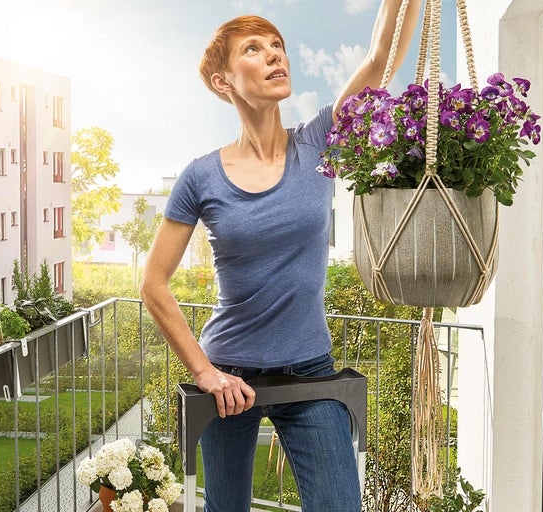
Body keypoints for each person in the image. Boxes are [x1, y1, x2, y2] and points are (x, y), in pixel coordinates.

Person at [140, 2, 420, 511]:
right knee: (226, 508)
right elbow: (153, 283)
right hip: (229, 377)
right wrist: (205, 372)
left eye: (278, 47)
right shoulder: (200, 177)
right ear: (223, 82)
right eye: (254, 48)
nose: (275, 56)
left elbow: (380, 57)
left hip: (312, 372)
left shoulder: (317, 142)